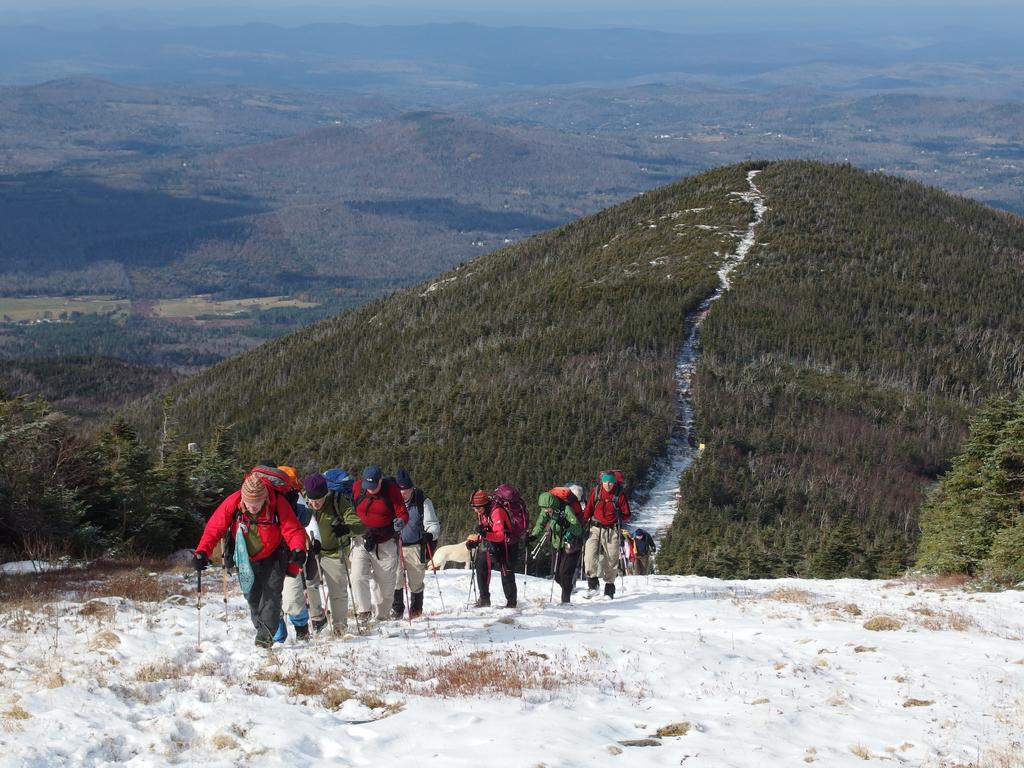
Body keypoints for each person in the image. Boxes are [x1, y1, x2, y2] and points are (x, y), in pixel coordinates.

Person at [192, 469, 307, 648]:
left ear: (265, 498)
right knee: (253, 598)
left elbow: (292, 529)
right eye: (249, 503)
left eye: (257, 503)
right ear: (243, 498)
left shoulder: (277, 503)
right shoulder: (234, 501)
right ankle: (266, 629)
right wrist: (202, 552)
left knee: (271, 596)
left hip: (275, 555)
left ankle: (265, 640)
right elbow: (215, 528)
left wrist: (298, 548)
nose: (253, 507)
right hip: (245, 557)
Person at [302, 471, 358, 635]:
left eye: (318, 499)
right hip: (312, 551)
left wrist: (347, 529)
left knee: (337, 591)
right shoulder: (303, 503)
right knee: (310, 585)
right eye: (312, 499)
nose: (315, 503)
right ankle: (318, 619)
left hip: (334, 552)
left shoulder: (337, 501)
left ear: (325, 494)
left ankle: (340, 627)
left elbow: (357, 524)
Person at [350, 464, 409, 622]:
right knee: (357, 576)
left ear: (380, 481)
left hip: (385, 542)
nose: (371, 489)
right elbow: (350, 508)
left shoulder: (391, 490)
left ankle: (382, 616)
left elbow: (403, 512)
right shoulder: (357, 487)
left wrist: (401, 522)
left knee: (385, 584)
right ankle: (364, 612)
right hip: (361, 540)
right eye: (368, 486)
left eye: (374, 486)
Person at [275, 465, 318, 642]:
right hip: (270, 555)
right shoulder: (265, 497)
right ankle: (278, 636)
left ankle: (300, 629)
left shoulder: (294, 497)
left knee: (292, 596)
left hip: (292, 553)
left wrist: (312, 545)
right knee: (272, 597)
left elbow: (308, 520)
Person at [392, 467, 441, 620]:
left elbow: (433, 524)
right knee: (395, 578)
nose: (403, 494)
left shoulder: (423, 501)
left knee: (416, 579)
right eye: (400, 490)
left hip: (415, 546)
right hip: (395, 545)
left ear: (412, 488)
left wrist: (430, 534)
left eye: (406, 490)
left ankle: (416, 610)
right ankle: (397, 609)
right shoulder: (391, 501)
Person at [583, 471, 631, 598]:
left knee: (612, 559)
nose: (607, 484)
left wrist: (620, 514)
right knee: (589, 555)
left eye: (610, 482)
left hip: (612, 530)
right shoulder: (597, 491)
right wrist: (582, 523)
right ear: (601, 481)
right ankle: (593, 585)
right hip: (595, 527)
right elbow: (589, 509)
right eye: (605, 481)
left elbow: (627, 515)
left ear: (614, 482)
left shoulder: (619, 495)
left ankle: (609, 588)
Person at [466, 488, 518, 608]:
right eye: (474, 507)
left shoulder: (497, 511)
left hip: (507, 544)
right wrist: (475, 541)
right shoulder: (482, 512)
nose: (476, 510)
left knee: (506, 572)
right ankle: (484, 599)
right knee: (481, 565)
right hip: (491, 542)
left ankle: (511, 603)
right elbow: (485, 529)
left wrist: (485, 535)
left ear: (485, 504)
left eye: (478, 507)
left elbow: (499, 536)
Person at [532, 490, 583, 604]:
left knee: (564, 573)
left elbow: (578, 530)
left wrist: (566, 524)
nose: (545, 511)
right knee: (556, 576)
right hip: (557, 543)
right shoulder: (547, 510)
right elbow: (540, 523)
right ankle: (569, 587)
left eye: (547, 508)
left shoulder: (567, 509)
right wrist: (533, 536)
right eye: (544, 508)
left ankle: (566, 601)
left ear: (552, 504)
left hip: (571, 544)